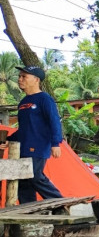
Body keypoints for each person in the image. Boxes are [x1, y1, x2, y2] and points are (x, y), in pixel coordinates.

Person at [3, 66, 63, 204]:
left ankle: (60, 203)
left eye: (24, 76)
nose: (20, 79)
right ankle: (29, 211)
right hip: (22, 147)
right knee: (23, 181)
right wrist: (8, 140)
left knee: (35, 176)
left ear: (36, 80)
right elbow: (24, 129)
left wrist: (55, 143)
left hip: (38, 146)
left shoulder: (45, 99)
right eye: (19, 76)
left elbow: (54, 121)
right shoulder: (23, 103)